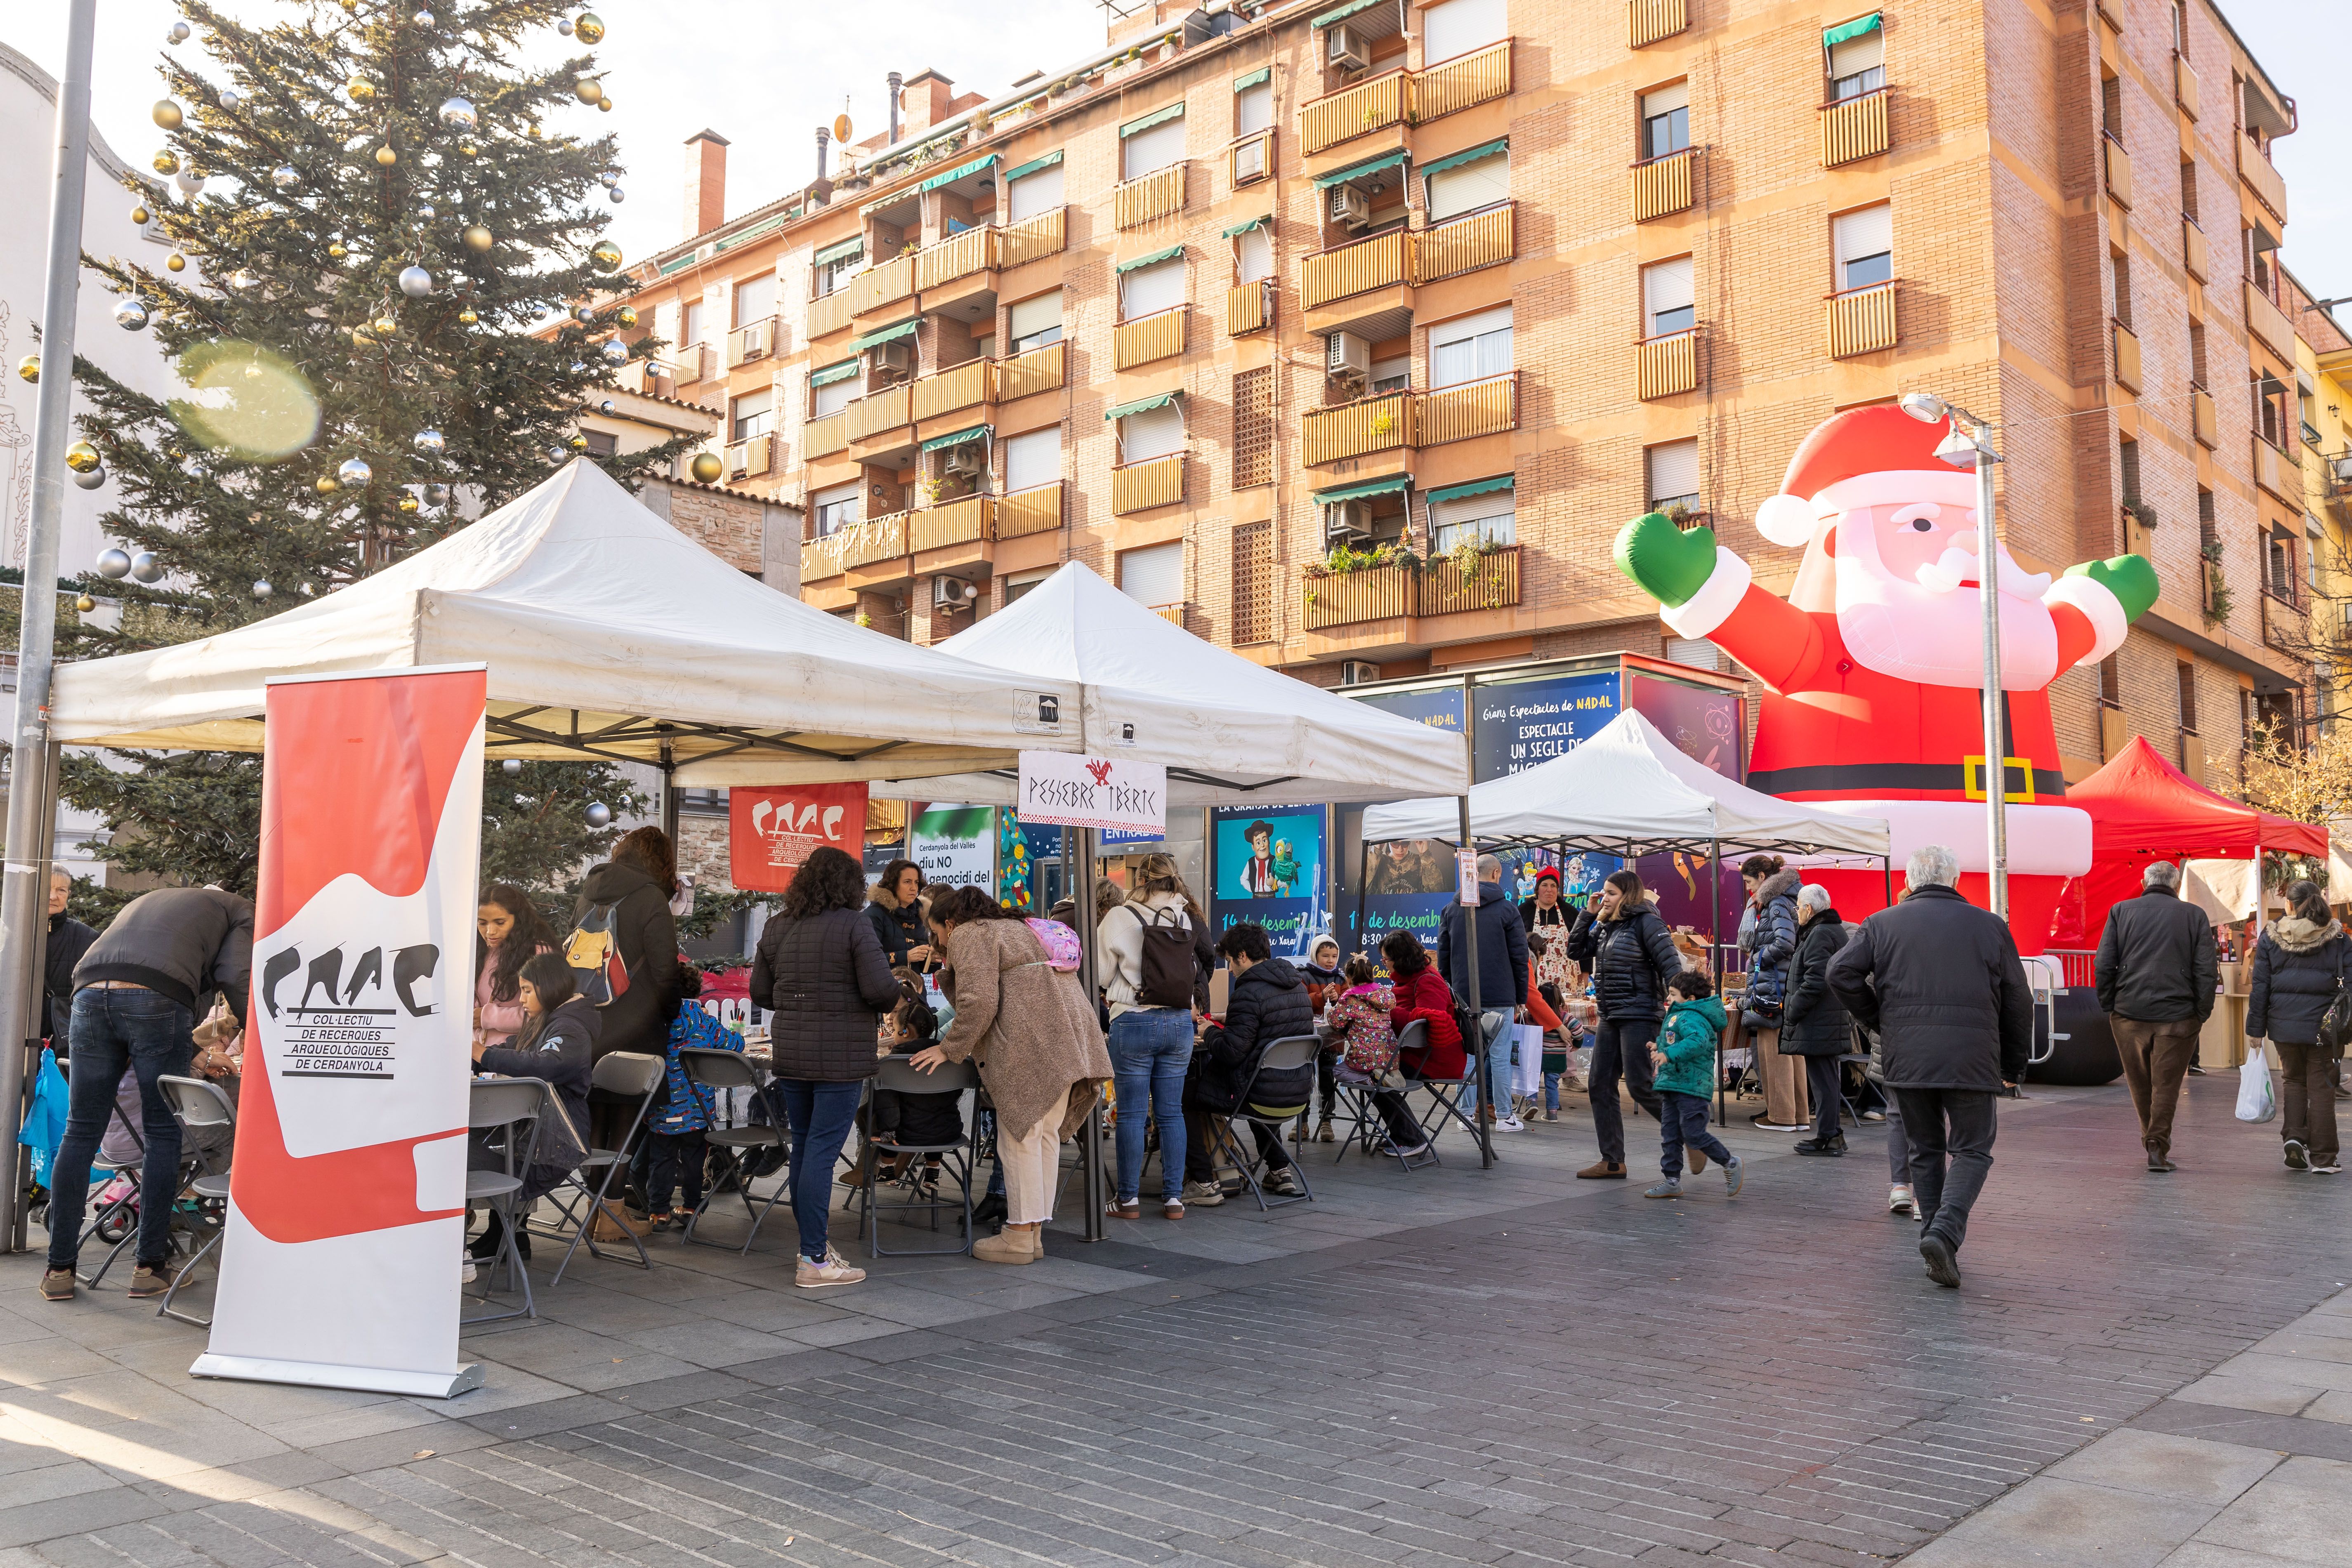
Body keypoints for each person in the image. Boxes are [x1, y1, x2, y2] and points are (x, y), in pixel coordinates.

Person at [1828, 844, 2031, 1290]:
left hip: (1908, 1057)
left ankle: (1935, 1241)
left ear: (1910, 882)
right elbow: (2019, 1000)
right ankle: (1942, 1233)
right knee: (1972, 1150)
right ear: (1956, 882)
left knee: (1924, 1149)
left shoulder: (1881, 923)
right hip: (1972, 1057)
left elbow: (1838, 972)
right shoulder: (1990, 926)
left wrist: (1877, 1019)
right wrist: (2014, 1066)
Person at [40, 886, 252, 1304]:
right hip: (157, 998)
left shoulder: (153, 899)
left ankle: (59, 1269)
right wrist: (265, 1035)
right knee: (162, 1132)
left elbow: (131, 980)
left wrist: (193, 1052)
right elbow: (233, 975)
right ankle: (149, 1266)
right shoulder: (241, 909)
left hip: (88, 990)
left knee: (80, 1132)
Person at [913, 885, 1111, 1261]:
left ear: (951, 924)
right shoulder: (1020, 927)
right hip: (1068, 1039)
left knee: (1019, 1136)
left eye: (937, 933)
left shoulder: (972, 933)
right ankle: (1033, 1231)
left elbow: (979, 1001)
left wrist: (947, 1047)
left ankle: (1019, 1235)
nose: (938, 941)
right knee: (1045, 1135)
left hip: (1031, 1044)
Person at [750, 844, 900, 1288]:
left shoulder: (777, 926)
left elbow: (760, 991)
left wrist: (800, 999)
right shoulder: (854, 925)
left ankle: (812, 1249)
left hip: (793, 1053)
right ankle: (813, 1258)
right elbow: (881, 992)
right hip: (841, 1056)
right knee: (820, 1150)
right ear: (849, 886)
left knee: (805, 1148)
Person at [469, 951, 596, 1263]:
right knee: (465, 1145)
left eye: (527, 990)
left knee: (461, 1153)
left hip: (555, 1141)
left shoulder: (570, 1028)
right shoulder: (547, 1020)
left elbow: (545, 1065)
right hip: (533, 1133)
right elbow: (512, 1049)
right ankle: (504, 1237)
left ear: (549, 986)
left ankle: (463, 1242)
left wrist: (482, 1054)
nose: (521, 999)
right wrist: (478, 1057)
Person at [2096, 861, 2220, 1173]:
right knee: (2167, 1084)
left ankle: (2151, 1140)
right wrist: (2201, 1012)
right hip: (2178, 1014)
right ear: (2176, 885)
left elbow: (2103, 963)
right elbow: (2206, 969)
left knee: (2139, 1083)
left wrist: (2109, 1004)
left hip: (2128, 1012)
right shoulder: (2194, 915)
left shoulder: (2120, 910)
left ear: (2143, 881)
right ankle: (2156, 1143)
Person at [1098, 851, 1201, 1220]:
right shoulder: (1182, 914)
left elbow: (1101, 973)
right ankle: (1173, 1198)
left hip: (1134, 1018)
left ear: (1139, 877)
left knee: (1130, 1115)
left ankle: (1128, 1200)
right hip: (1178, 1022)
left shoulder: (1119, 916)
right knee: (1171, 1113)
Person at [1183, 923, 1316, 1204]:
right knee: (1260, 1077)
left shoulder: (1248, 991)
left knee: (1185, 1097)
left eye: (1229, 961)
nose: (1229, 969)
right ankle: (1280, 1172)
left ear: (1242, 956)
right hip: (1296, 1093)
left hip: (1260, 1095)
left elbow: (1231, 1052)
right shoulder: (1297, 987)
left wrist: (1209, 1031)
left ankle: (1203, 1181)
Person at [1566, 869, 1682, 1180]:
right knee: (1599, 1084)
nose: (1604, 897)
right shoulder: (1605, 926)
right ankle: (1612, 1160)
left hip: (1640, 1013)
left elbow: (1671, 964)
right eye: (1603, 891)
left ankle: (1689, 1131)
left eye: (1611, 893)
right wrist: (1587, 914)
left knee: (1640, 1085)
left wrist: (1686, 1004)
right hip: (1612, 1014)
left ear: (1628, 895)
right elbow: (1575, 951)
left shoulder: (1648, 922)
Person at [575, 826, 683, 1150]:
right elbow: (666, 970)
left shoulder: (586, 897)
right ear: (661, 861)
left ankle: (596, 1198)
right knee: (626, 1120)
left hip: (590, 1020)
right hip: (637, 1023)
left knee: (594, 1113)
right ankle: (615, 1199)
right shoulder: (651, 898)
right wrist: (669, 1013)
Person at [2246, 879, 2347, 1175]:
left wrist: (2255, 1029)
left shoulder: (2269, 937)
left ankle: (2293, 1137)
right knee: (2322, 1088)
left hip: (2283, 1026)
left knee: (2293, 1081)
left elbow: (2260, 986)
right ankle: (2324, 1158)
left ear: (2288, 904)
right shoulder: (2339, 938)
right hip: (2325, 1028)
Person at [639, 961, 740, 1229]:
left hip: (663, 1108)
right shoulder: (704, 1020)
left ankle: (658, 1212)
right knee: (695, 1159)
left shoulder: (659, 1019)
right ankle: (691, 1206)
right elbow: (735, 1044)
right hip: (698, 1109)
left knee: (661, 1160)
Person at [1439, 853, 1529, 1129]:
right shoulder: (1507, 909)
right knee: (1500, 1056)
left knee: (1468, 1053)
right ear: (1496, 874)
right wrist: (1520, 997)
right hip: (1501, 993)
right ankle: (1504, 1116)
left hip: (1463, 994)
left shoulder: (1451, 909)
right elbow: (1519, 956)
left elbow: (1443, 956)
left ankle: (1465, 1115)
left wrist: (1449, 992)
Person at [1644, 971, 1743, 1199]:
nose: (1668, 999)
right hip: (1673, 1084)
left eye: (1672, 994)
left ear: (1689, 999)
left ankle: (1730, 1163)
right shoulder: (1678, 1014)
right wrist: (1658, 1047)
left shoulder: (1693, 1017)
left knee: (1694, 1134)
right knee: (1670, 1134)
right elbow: (1672, 1039)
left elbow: (1696, 1042)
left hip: (1693, 1088)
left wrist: (1667, 1055)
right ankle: (1672, 1180)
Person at [1326, 954, 1427, 1154]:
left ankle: (1371, 1080)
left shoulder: (1351, 997)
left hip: (1364, 1059)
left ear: (1349, 978)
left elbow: (1335, 1022)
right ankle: (1377, 1079)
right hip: (1390, 1057)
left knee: (1337, 1071)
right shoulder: (1384, 994)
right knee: (1381, 1090)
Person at [1782, 884, 1855, 1156]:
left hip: (1818, 1020)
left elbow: (1815, 981)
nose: (1797, 912)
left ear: (1809, 909)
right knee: (1827, 1080)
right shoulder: (1830, 930)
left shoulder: (1820, 934)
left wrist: (1792, 1010)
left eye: (1798, 907)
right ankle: (1831, 1135)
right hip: (1826, 1019)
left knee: (1823, 1082)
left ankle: (1828, 1137)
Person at [1737, 856, 1808, 1133]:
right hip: (1785, 986)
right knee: (1791, 1053)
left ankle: (1781, 1117)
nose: (1747, 888)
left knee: (1774, 1052)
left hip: (1771, 986)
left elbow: (1783, 943)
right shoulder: (1790, 898)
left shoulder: (1775, 902)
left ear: (1762, 877)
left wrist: (1756, 959)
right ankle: (1799, 1115)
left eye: (1748, 881)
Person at [476, 883, 559, 1050]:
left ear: (518, 920)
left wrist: (488, 1017)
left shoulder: (538, 953)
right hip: (475, 1056)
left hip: (517, 1055)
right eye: (482, 923)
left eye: (500, 923)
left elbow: (543, 1012)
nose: (490, 932)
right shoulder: (477, 950)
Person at [1385, 928, 1465, 1091]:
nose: (1385, 964)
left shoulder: (1427, 980)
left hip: (1434, 1061)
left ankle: (1403, 1118)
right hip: (1416, 1056)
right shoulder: (1408, 977)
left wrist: (1388, 1012)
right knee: (1371, 1070)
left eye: (1385, 960)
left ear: (1399, 959)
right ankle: (1399, 1118)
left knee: (1373, 1075)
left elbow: (1430, 1022)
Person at [42, 869, 95, 1057]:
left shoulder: (87, 937)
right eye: (46, 888)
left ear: (69, 895)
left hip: (64, 1039)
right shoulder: (7, 931)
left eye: (61, 890)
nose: (53, 897)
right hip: (12, 1034)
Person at [1522, 867, 1576, 1016]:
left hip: (1566, 980)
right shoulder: (1523, 912)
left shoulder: (1570, 912)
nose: (1549, 890)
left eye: (1553, 886)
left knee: (1566, 1017)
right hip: (1534, 978)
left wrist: (1585, 973)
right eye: (1545, 885)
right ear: (1538, 889)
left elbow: (1581, 942)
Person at [866, 859, 935, 972]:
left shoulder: (919, 913)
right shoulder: (875, 914)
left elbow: (922, 968)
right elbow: (868, 959)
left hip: (914, 988)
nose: (914, 888)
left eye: (916, 882)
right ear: (893, 884)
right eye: (908, 882)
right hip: (887, 987)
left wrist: (931, 960)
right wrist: (906, 957)